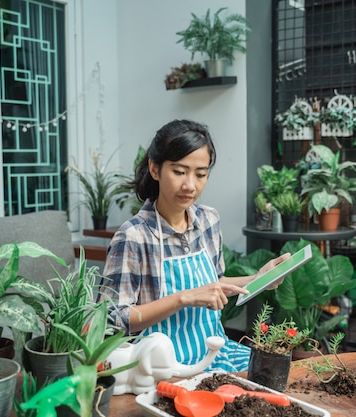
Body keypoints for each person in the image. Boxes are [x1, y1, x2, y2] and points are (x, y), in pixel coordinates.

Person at [101, 119, 289, 372]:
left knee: (271, 375)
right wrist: (182, 298)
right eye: (179, 172)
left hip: (213, 351)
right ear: (155, 170)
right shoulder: (133, 236)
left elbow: (214, 285)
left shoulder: (208, 220)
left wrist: (258, 278)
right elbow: (114, 318)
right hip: (160, 366)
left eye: (200, 174)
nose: (190, 185)